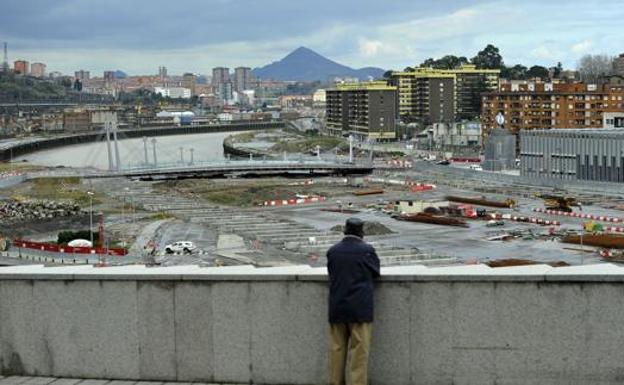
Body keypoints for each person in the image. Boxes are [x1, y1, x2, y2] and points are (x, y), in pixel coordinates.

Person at [326, 217, 380, 385]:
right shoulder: (367, 250)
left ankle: (336, 382)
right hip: (360, 308)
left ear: (345, 231)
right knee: (359, 352)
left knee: (337, 349)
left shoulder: (333, 251)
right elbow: (376, 272)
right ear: (361, 233)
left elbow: (331, 272)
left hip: (337, 306)